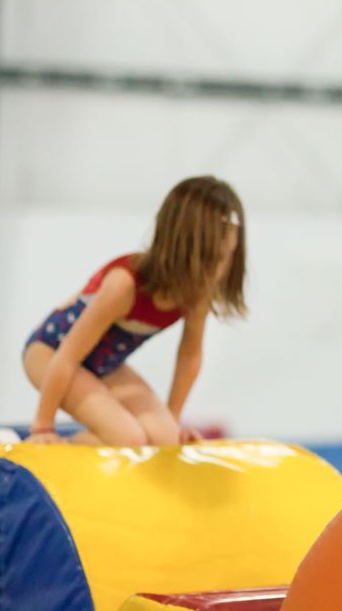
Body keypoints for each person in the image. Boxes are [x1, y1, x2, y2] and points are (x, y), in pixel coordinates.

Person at [22, 175, 247, 445]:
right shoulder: (125, 284)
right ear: (181, 248)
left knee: (165, 440)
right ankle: (75, 443)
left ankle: (107, 434)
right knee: (128, 438)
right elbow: (68, 354)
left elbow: (189, 359)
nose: (219, 271)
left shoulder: (197, 293)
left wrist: (173, 423)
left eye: (226, 258)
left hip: (105, 366)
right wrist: (43, 427)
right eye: (212, 259)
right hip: (49, 353)